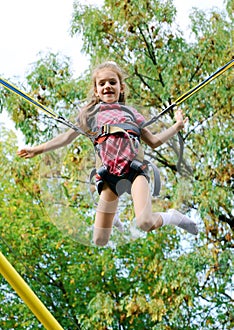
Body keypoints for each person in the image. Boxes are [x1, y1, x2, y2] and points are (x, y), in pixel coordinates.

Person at [17, 61, 198, 246]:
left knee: (144, 222)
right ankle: (115, 213)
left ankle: (173, 218)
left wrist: (177, 127)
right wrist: (36, 149)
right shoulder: (90, 115)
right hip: (109, 177)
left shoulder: (131, 113)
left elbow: (154, 141)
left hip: (134, 172)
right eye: (102, 83)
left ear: (121, 88)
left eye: (112, 82)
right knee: (100, 239)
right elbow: (66, 138)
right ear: (96, 90)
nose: (107, 86)